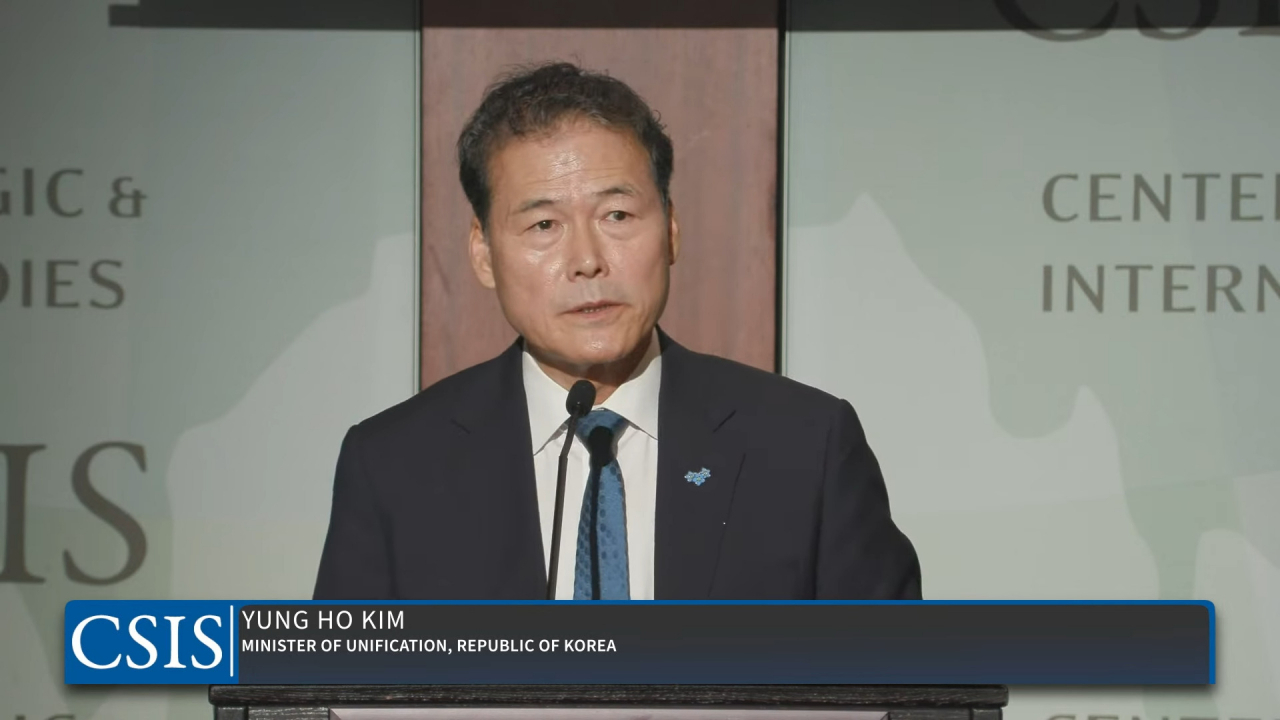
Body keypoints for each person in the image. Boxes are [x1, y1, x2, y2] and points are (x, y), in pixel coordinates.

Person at [313, 61, 920, 600]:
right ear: (482, 253)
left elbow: (908, 685)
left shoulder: (806, 446)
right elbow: (327, 691)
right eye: (544, 224)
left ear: (672, 229)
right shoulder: (393, 466)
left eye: (618, 215)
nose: (587, 259)